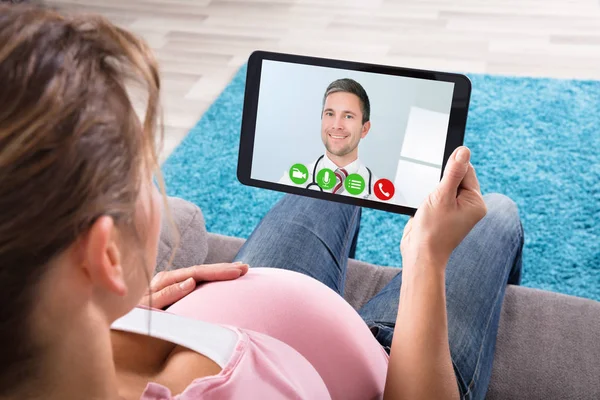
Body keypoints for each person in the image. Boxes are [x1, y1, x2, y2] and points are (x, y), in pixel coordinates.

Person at [0, 5, 524, 400]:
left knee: (330, 190)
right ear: (105, 253)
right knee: (494, 214)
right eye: (143, 169)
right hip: (396, 367)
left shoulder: (52, 337)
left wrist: (114, 312)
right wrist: (427, 259)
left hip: (241, 295)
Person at [278, 78, 398, 202]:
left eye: (348, 116)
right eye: (330, 114)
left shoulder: (386, 197)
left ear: (364, 129)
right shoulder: (291, 181)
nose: (336, 125)